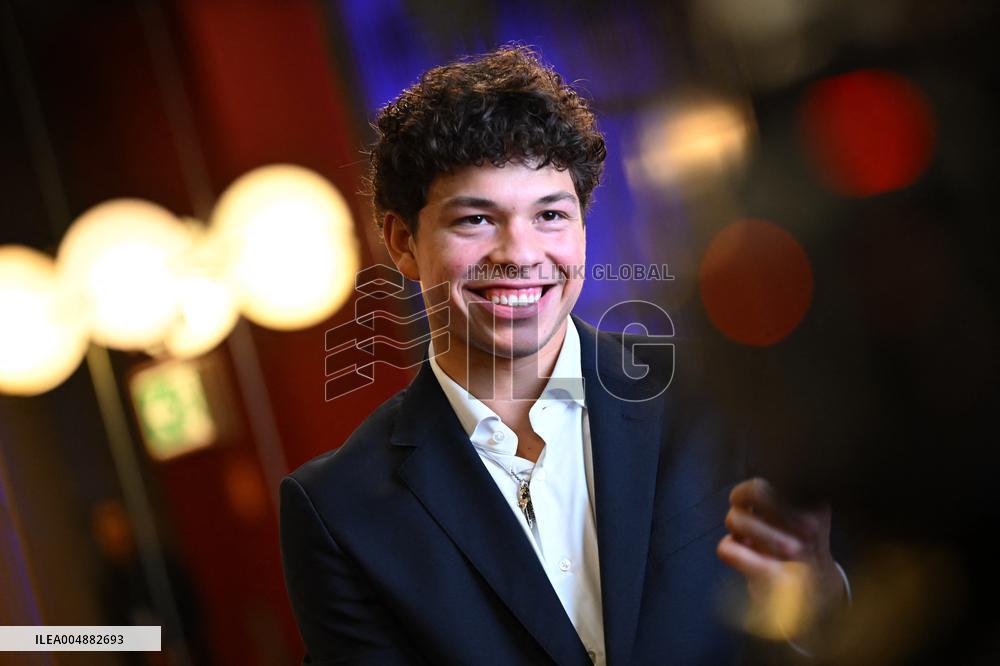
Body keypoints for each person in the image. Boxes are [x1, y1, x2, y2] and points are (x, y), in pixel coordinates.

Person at [279, 46, 849, 665]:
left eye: (550, 214)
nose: (521, 253)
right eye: (475, 220)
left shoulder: (718, 393)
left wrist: (819, 590)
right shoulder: (340, 511)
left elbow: (837, 615)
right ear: (402, 242)